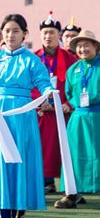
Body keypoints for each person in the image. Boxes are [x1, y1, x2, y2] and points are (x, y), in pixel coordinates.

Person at [0, 14, 53, 218]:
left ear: (24, 35)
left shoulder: (32, 60)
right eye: (6, 31)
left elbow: (44, 84)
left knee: (19, 164)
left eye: (15, 31)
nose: (10, 35)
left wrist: (47, 95)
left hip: (22, 116)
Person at [33, 12, 78, 193]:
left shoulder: (69, 58)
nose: (48, 36)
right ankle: (46, 181)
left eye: (52, 32)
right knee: (42, 146)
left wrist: (67, 103)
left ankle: (68, 183)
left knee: (62, 146)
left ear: (58, 35)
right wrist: (39, 102)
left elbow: (74, 83)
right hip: (41, 111)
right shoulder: (34, 57)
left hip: (62, 111)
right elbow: (30, 83)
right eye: (45, 33)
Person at [56, 30, 100, 207]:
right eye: (79, 46)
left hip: (97, 115)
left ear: (95, 46)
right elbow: (68, 92)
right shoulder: (73, 69)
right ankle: (72, 193)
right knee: (73, 155)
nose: (82, 49)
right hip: (78, 116)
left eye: (86, 45)